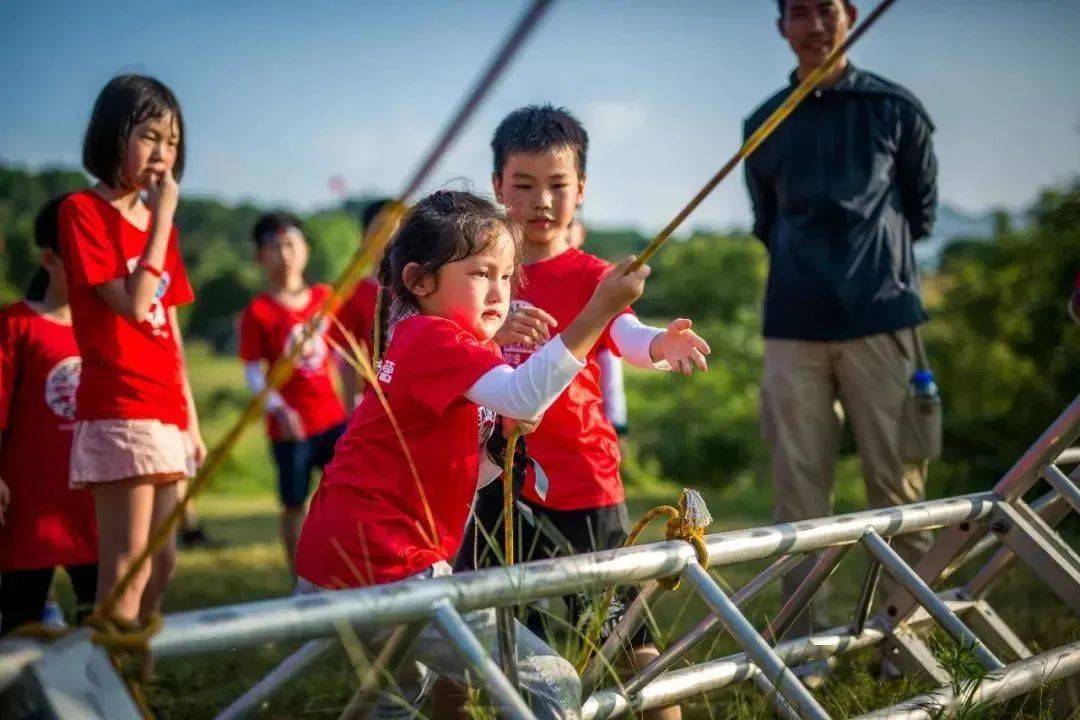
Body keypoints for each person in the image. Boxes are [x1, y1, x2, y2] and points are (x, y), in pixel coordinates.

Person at [295, 190, 653, 719]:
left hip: (354, 560)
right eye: (480, 274)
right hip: (385, 567)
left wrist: (504, 441)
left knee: (399, 700)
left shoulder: (429, 338)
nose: (499, 291)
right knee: (551, 680)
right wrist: (598, 311)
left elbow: (473, 470)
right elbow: (520, 394)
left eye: (506, 276)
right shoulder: (431, 337)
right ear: (419, 281)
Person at [457, 105, 708, 719]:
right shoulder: (475, 272)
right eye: (523, 185)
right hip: (489, 483)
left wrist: (661, 344)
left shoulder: (592, 274)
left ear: (581, 190)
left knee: (628, 641)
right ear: (497, 187)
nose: (540, 201)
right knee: (466, 639)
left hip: (581, 487)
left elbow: (625, 331)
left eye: (557, 185)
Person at [743, 0, 938, 637]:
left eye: (826, 9)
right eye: (798, 12)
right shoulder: (764, 121)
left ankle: (901, 642)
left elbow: (921, 212)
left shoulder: (896, 109)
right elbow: (768, 223)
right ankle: (803, 654)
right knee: (797, 502)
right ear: (781, 28)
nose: (814, 25)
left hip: (882, 319)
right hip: (793, 327)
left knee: (899, 490)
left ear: (850, 16)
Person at [59, 74, 204, 623]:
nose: (161, 153)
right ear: (112, 135)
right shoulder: (82, 211)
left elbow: (168, 325)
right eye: (148, 136)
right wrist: (162, 217)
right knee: (128, 564)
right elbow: (135, 303)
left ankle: (130, 664)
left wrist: (190, 420)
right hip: (121, 406)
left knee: (163, 561)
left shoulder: (155, 223)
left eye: (171, 141)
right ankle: (107, 684)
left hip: (165, 409)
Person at [0, 196, 98, 635]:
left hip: (94, 503)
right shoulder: (16, 325)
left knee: (100, 619)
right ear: (49, 258)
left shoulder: (105, 328)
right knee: (20, 623)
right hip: (27, 507)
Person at [239, 212, 348, 576]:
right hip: (290, 427)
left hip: (333, 418)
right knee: (293, 502)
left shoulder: (325, 298)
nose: (284, 254)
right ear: (260, 257)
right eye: (274, 247)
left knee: (347, 492)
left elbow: (345, 350)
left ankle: (345, 565)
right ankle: (298, 575)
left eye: (291, 245)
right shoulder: (258, 311)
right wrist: (279, 410)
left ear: (305, 250)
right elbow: (253, 372)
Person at [330, 197, 397, 412]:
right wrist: (351, 413)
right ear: (365, 238)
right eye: (381, 231)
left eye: (397, 230)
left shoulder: (425, 287)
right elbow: (348, 360)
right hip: (378, 408)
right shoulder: (355, 294)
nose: (390, 239)